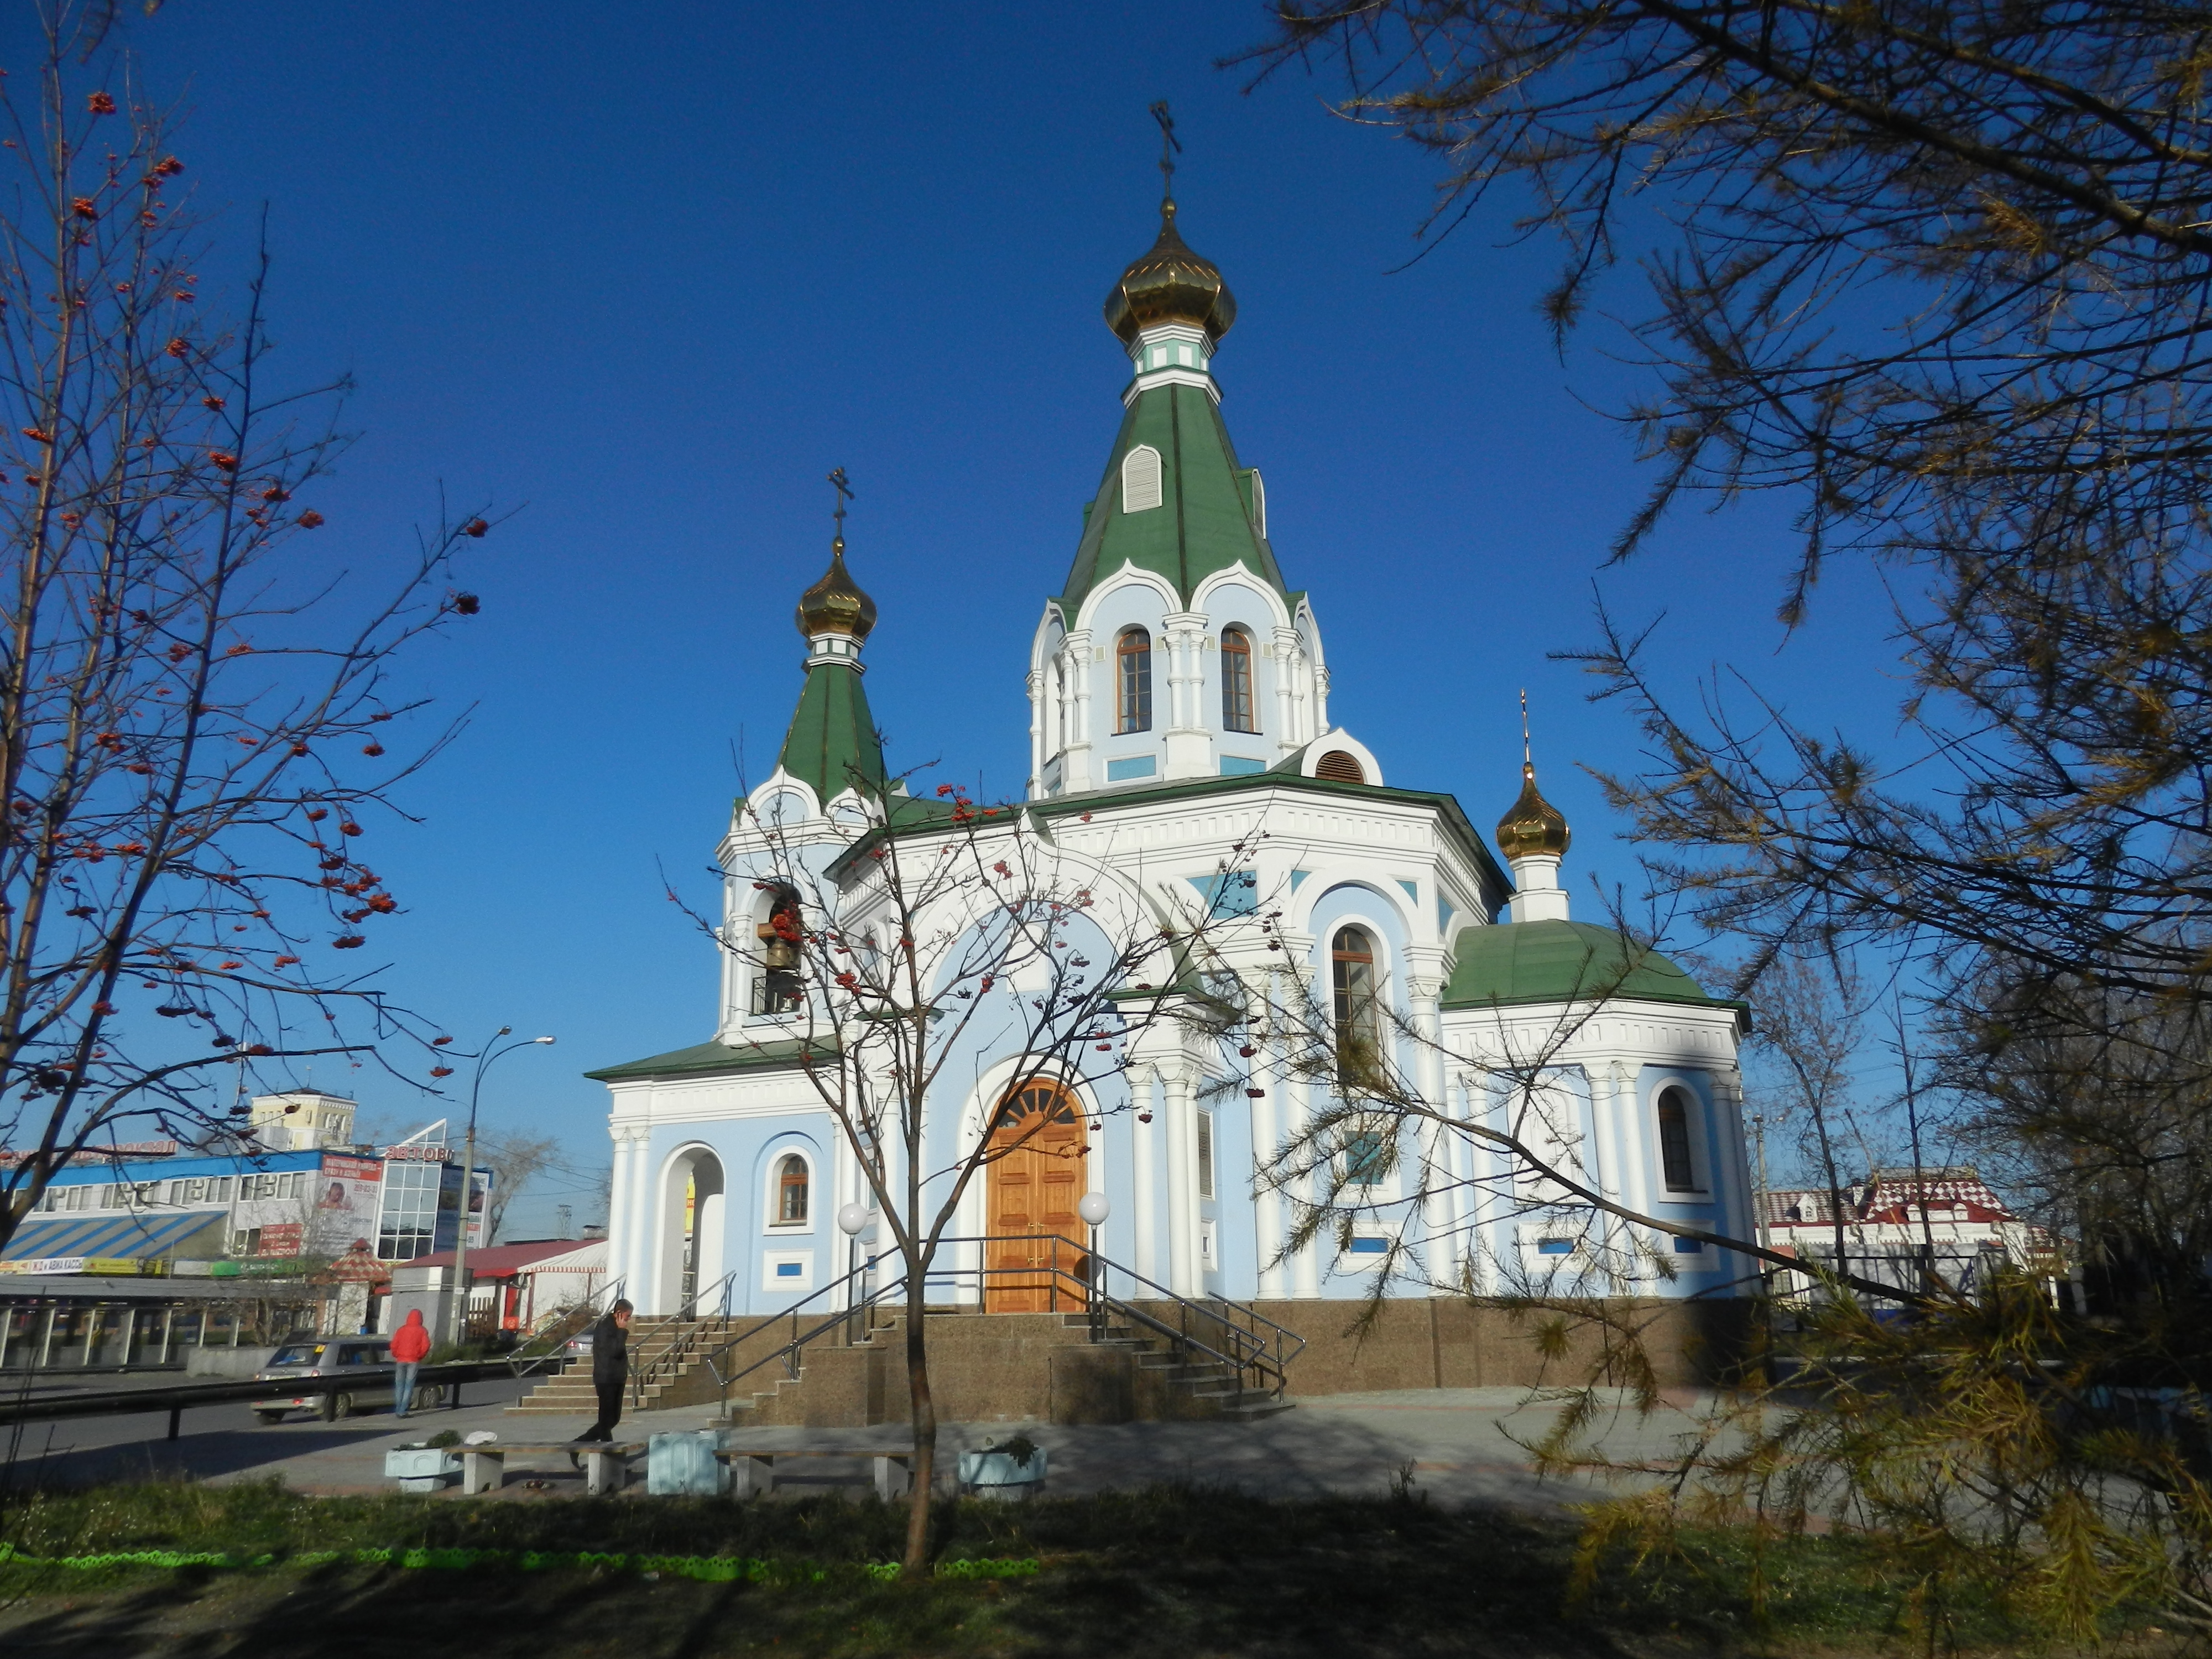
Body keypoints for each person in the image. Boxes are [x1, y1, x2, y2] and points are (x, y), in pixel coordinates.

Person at [577, 1299, 633, 1443]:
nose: (629, 1320)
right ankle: (608, 1453)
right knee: (606, 1420)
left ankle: (580, 1443)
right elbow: (615, 1351)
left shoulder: (614, 1327)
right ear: (619, 1314)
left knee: (614, 1419)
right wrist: (622, 1332)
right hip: (606, 1378)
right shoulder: (605, 1327)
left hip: (617, 1377)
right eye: (627, 1316)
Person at [389, 1307, 431, 1419]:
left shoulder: (401, 1330)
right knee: (409, 1385)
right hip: (414, 1360)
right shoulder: (422, 1331)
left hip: (401, 1360)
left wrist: (396, 1354)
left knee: (399, 1385)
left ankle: (398, 1409)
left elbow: (394, 1345)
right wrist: (420, 1355)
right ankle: (403, 1410)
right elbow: (426, 1346)